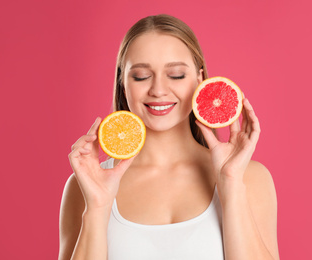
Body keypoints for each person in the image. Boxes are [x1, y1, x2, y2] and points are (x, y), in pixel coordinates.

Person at [59, 14, 279, 260]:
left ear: (199, 78)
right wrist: (97, 208)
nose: (159, 90)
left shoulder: (250, 178)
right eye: (141, 76)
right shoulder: (86, 186)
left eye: (176, 75)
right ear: (123, 82)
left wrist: (231, 183)